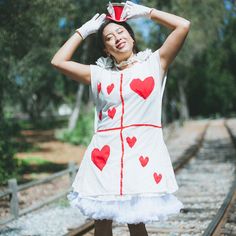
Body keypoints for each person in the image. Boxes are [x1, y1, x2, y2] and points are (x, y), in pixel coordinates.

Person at [51, 1, 190, 236]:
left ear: (132, 38)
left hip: (141, 153)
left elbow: (183, 25)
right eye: (108, 37)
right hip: (104, 157)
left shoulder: (155, 64)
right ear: (106, 49)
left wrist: (146, 12)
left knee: (136, 222)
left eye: (121, 31)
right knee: (102, 220)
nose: (116, 37)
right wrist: (83, 31)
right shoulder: (98, 73)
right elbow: (58, 61)